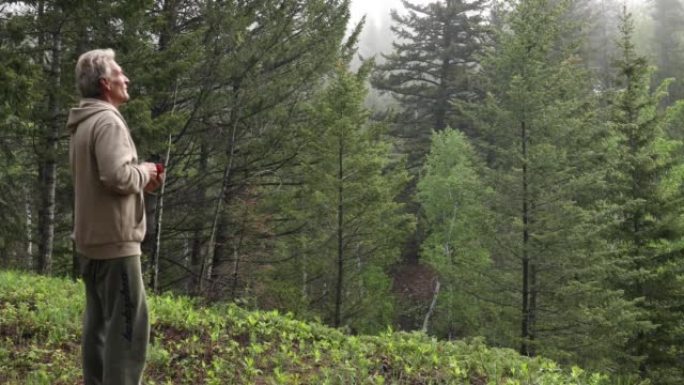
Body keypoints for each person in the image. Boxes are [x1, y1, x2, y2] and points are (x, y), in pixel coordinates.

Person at [67, 48, 163, 385]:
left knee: (100, 325)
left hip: (91, 243)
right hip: (115, 245)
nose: (127, 78)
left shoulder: (84, 122)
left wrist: (141, 182)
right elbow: (118, 177)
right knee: (128, 329)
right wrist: (146, 170)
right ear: (106, 83)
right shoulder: (107, 121)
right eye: (121, 72)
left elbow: (101, 180)